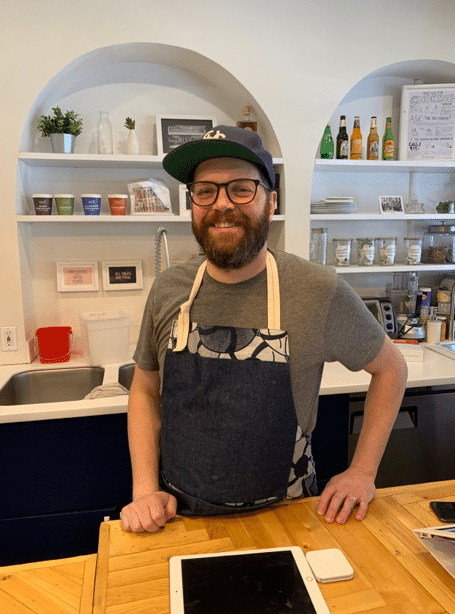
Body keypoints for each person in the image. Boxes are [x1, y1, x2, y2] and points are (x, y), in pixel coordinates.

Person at [121, 125, 407, 533]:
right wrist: (144, 489)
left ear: (271, 202)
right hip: (178, 518)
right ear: (192, 204)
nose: (221, 204)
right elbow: (145, 390)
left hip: (288, 520)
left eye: (241, 188)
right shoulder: (170, 288)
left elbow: (392, 369)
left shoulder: (317, 290)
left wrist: (362, 471)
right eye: (205, 191)